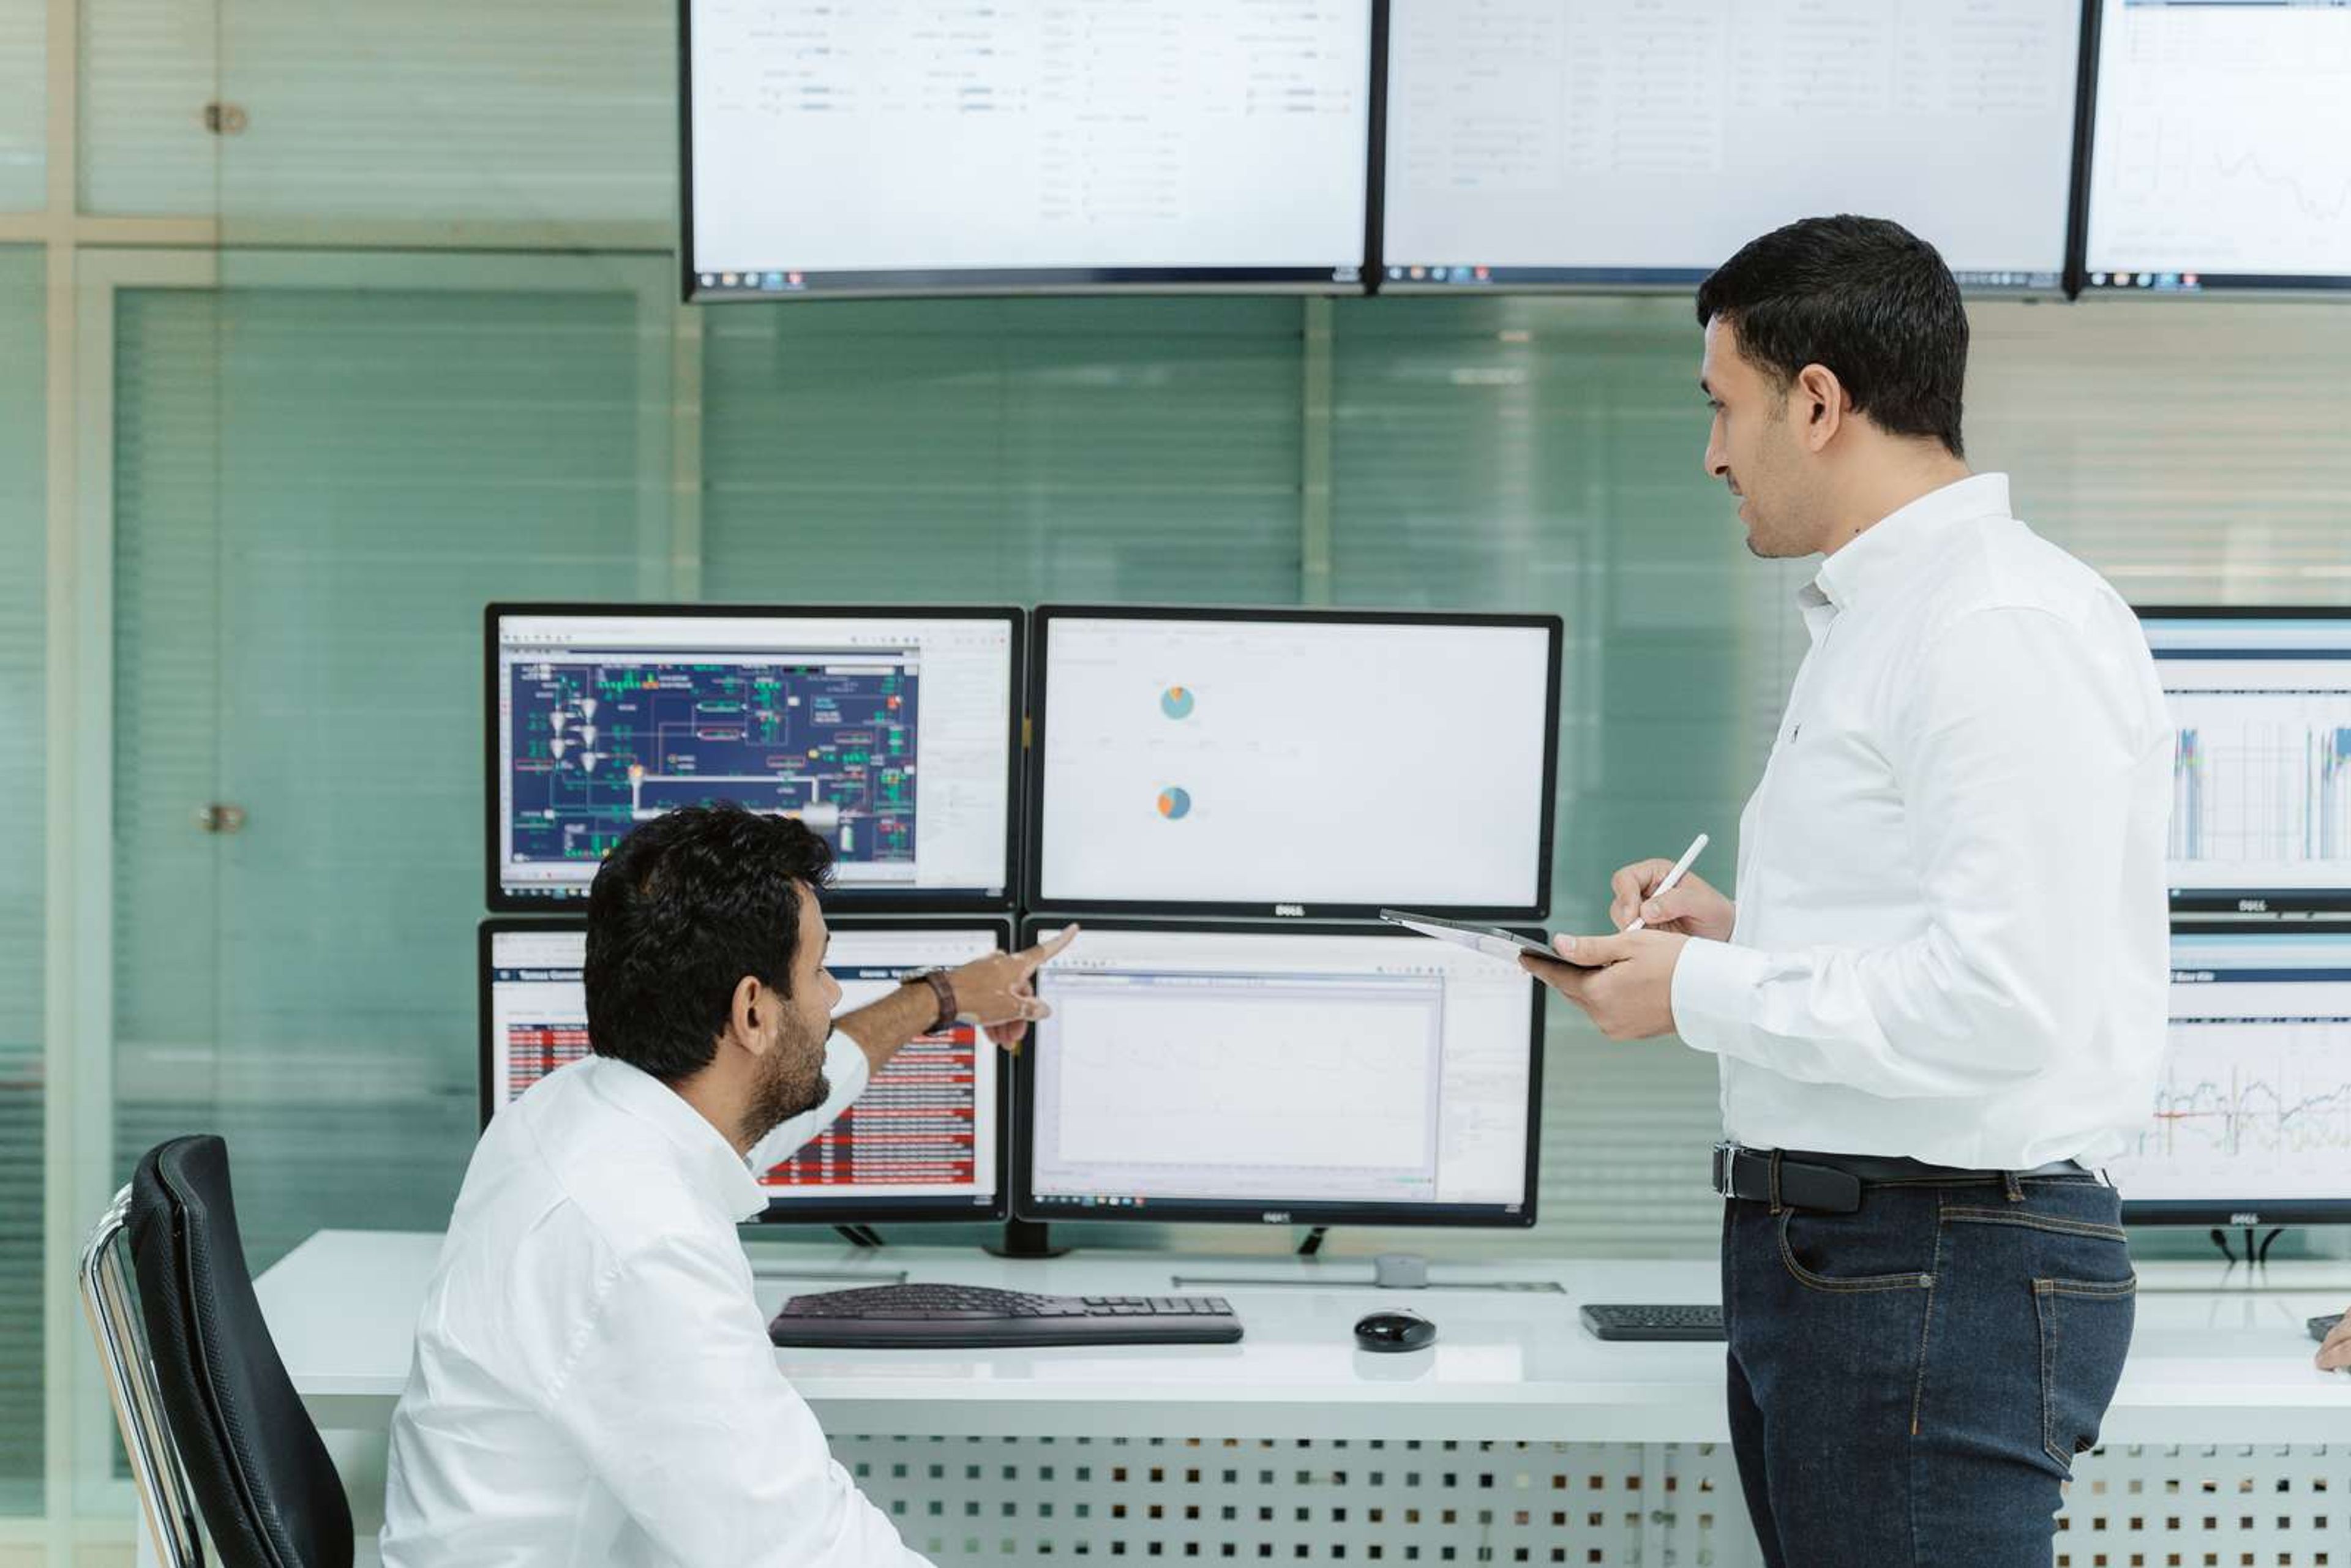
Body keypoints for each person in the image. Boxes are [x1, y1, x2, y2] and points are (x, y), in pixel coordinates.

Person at [1524, 216, 2171, 1567]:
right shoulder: (1895, 613)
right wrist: (1742, 933)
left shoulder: (1990, 622)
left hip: (1936, 1259)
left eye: (1723, 407)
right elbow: (1948, 939)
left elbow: (2007, 999)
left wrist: (1698, 988)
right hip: (1867, 1256)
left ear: (1817, 401)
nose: (1712, 453)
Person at [381, 803, 1077, 1567]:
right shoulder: (642, 1241)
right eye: (818, 970)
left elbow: (797, 1087)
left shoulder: (573, 1112)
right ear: (752, 1009)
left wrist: (940, 997)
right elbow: (802, 1549)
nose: (834, 994)